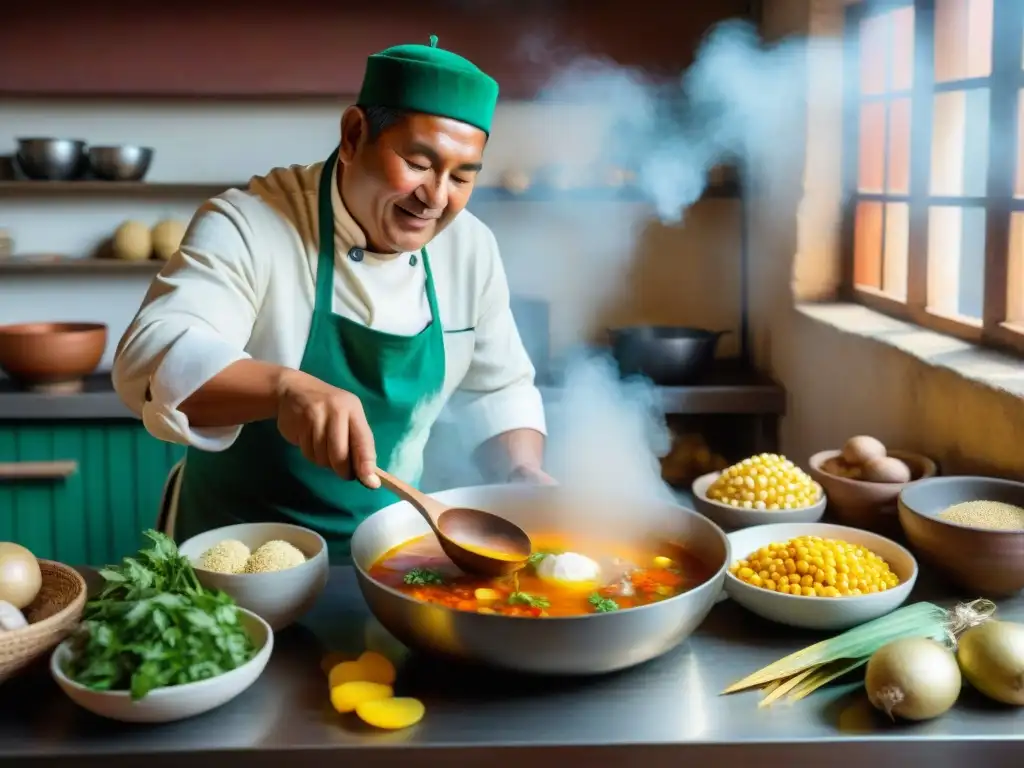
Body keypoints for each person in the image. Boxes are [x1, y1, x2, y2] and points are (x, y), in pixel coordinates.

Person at [112, 35, 550, 563]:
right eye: (417, 162)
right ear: (353, 135)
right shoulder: (249, 223)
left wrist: (520, 471)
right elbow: (151, 359)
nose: (435, 196)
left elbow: (496, 389)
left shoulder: (471, 248)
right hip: (236, 560)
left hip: (392, 552)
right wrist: (284, 389)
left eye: (461, 176)